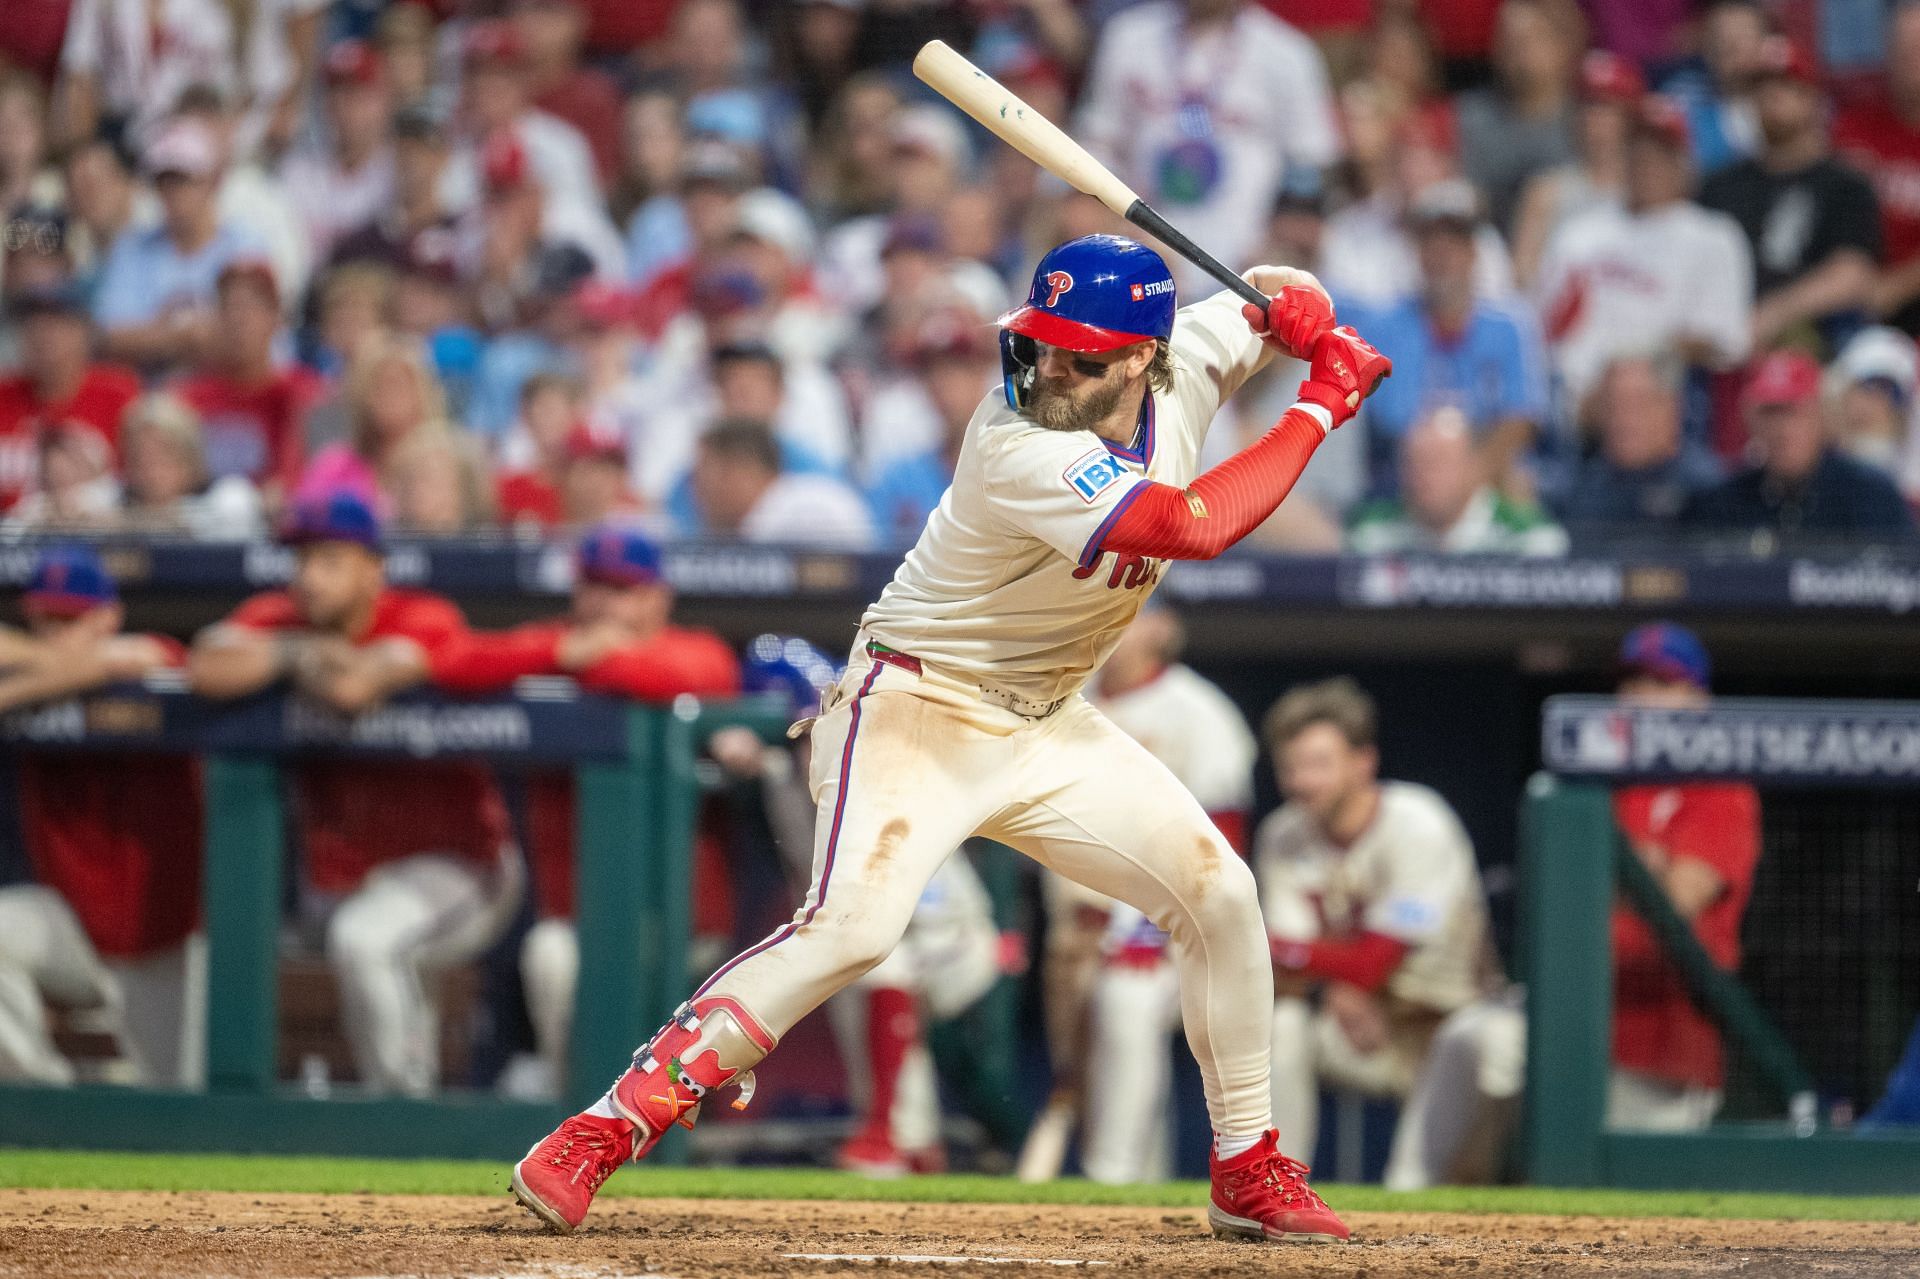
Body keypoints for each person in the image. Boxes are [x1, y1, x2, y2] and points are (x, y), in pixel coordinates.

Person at [509, 233, 1391, 1244]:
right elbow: (1190, 522)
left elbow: (1274, 289)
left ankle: (1247, 1166)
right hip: (917, 709)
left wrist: (1293, 309)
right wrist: (1319, 400)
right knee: (856, 932)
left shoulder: (1188, 352)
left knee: (1223, 894)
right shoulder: (1021, 442)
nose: (1052, 371)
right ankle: (603, 1126)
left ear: (1146, 358)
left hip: (1047, 716)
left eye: (1083, 356)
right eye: (1042, 346)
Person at [187, 491, 523, 1095]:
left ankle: (399, 1114)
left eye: (329, 561)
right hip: (351, 870)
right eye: (301, 560)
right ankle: (410, 1104)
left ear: (374, 570)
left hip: (460, 863)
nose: (308, 577)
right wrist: (294, 650)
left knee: (365, 940)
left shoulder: (422, 616)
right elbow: (205, 665)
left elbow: (354, 687)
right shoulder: (281, 619)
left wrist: (303, 661)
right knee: (368, 946)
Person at [429, 527, 740, 1092]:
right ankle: (577, 1105)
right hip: (577, 918)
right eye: (594, 586)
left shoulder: (695, 648)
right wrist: (556, 651)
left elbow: (693, 674)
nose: (604, 603)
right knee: (549, 957)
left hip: (676, 925)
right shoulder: (555, 647)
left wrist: (579, 662)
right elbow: (451, 662)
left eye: (622, 589)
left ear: (656, 599)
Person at [1256, 678, 1491, 1186]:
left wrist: (1331, 970)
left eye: (1318, 764)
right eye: (1290, 767)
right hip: (1361, 1027)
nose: (1301, 782)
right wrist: (1335, 980)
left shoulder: (1419, 824)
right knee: (1285, 1025)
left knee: (1414, 1187)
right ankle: (1276, 1187)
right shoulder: (1283, 833)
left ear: (1363, 763)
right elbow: (1285, 969)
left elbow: (1371, 961)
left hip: (1449, 1027)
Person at [0, 546, 205, 1087]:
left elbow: (149, 657)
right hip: (70, 929)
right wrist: (75, 666)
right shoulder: (34, 682)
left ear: (109, 617)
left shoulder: (153, 655)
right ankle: (47, 1098)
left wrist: (35, 671)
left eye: (70, 620)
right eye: (43, 620)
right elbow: (85, 664)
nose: (54, 632)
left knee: (175, 1102)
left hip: (162, 935)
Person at [1075, 609, 1261, 1185]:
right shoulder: (1068, 693)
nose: (1104, 624)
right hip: (1079, 922)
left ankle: (1115, 1178)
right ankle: (1123, 1181)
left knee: (1127, 1001)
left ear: (1162, 628)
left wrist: (1156, 927)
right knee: (1078, 1056)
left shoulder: (1198, 710)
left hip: (1171, 926)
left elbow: (1220, 846)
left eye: (1126, 616)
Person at [1074, 0, 1340, 297]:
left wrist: (1269, 257)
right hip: (1138, 255)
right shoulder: (1129, 37)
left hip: (1247, 265)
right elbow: (1098, 145)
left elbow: (1310, 167)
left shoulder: (1286, 54)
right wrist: (1121, 236)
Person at [1535, 95, 1754, 421]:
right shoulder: (1580, 232)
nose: (1648, 164)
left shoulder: (1713, 237)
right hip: (1567, 402)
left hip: (1664, 403)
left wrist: (1624, 383)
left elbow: (1720, 341)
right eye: (1638, 151)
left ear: (1685, 165)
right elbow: (1543, 322)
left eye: (1661, 153)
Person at [1347, 180, 1551, 494]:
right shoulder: (1386, 326)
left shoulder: (1510, 326)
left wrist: (1464, 482)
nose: (1442, 254)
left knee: (1520, 483)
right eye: (1431, 241)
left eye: (1454, 241)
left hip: (1487, 478)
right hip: (1408, 478)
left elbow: (1521, 419)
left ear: (1472, 251)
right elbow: (1394, 421)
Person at [1701, 38, 1881, 352]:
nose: (1771, 97)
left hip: (1812, 341)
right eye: (1762, 88)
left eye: (1786, 86)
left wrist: (1770, 316)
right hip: (1720, 338)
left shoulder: (1845, 184)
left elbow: (1853, 274)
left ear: (1812, 99)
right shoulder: (1720, 183)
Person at [92, 117, 265, 373]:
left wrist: (155, 336)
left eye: (184, 180)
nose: (173, 192)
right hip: (147, 395)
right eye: (164, 181)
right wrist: (185, 336)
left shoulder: (245, 246)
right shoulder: (132, 248)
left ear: (213, 182)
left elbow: (258, 336)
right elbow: (110, 337)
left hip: (223, 389)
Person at [1686, 350, 1915, 537]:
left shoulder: (1870, 496)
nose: (1783, 429)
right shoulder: (1724, 503)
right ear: (1752, 423)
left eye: (1795, 412)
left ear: (1821, 417)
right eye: (1771, 413)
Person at [171, 259, 319, 505]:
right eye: (229, 307)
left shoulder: (302, 391)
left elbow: (305, 473)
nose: (240, 320)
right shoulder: (185, 397)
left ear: (276, 319)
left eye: (252, 307)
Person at [1347, 408, 1569, 555]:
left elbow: (1551, 547)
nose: (1424, 474)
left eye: (1439, 462)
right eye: (1414, 462)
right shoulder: (1373, 530)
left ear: (1471, 467)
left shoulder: (1523, 532)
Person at [0, 280, 139, 511]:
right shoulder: (4, 394)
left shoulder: (118, 394)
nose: (41, 334)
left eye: (56, 323)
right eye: (31, 323)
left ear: (85, 332)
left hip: (96, 536)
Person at [1554, 354, 1724, 536]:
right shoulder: (1580, 490)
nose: (1624, 420)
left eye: (1639, 404)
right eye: (1613, 405)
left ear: (1671, 407)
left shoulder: (1710, 491)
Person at [1453, 0, 1580, 235]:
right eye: (1507, 40)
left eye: (1530, 39)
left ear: (1562, 46)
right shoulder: (1471, 116)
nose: (1518, 52)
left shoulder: (1586, 118)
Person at [1836, 2, 1920, 336]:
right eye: (1902, 50)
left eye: (1918, 49)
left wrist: (1897, 286)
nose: (1911, 62)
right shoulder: (1853, 125)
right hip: (1849, 300)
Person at [686, 418, 876, 548]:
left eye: (705, 474)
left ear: (740, 471)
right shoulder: (753, 520)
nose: (696, 489)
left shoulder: (805, 506)